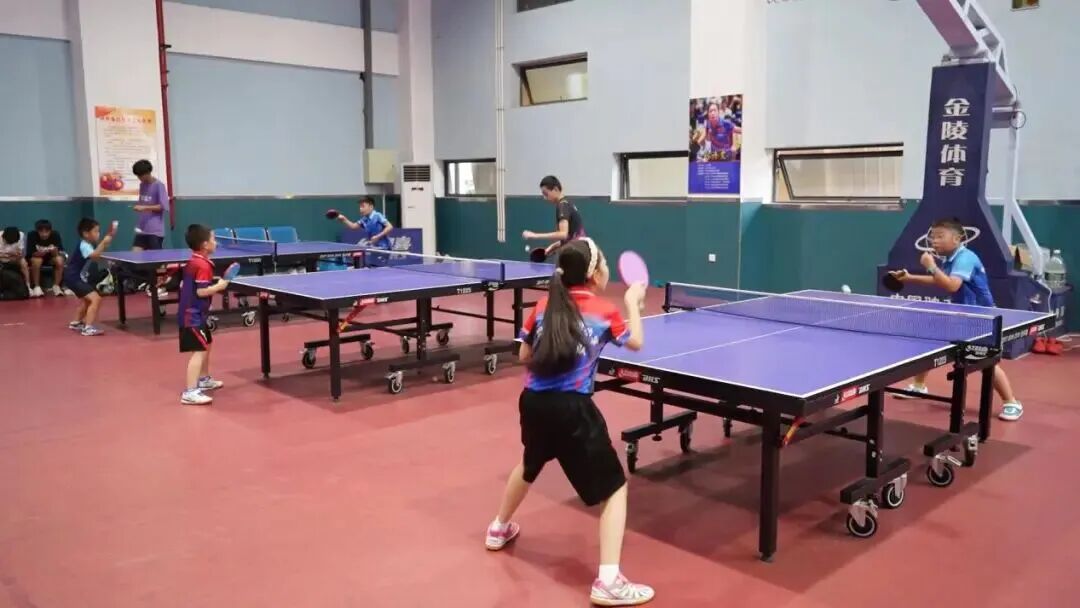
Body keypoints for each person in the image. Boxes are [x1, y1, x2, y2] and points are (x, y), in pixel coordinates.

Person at [484, 238, 654, 606]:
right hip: (572, 408)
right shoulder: (604, 311)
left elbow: (524, 353)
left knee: (531, 463)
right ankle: (609, 581)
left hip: (533, 402)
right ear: (594, 274)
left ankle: (498, 528)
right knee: (614, 488)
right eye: (603, 262)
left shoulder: (544, 305)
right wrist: (632, 304)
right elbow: (636, 342)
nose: (606, 268)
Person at [889, 217, 1025, 422]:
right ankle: (918, 386)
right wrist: (910, 278)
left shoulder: (965, 258)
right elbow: (940, 280)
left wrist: (931, 266)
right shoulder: (951, 258)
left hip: (981, 318)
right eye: (933, 237)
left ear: (957, 238)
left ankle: (1012, 402)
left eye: (940, 236)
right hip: (961, 315)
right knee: (929, 345)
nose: (934, 241)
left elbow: (951, 285)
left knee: (986, 362)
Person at [177, 224, 232, 406]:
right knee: (199, 351)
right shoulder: (202, 265)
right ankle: (190, 392)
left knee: (206, 344)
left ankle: (204, 379)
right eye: (213, 239)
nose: (216, 242)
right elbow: (201, 292)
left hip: (196, 313)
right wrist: (219, 286)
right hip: (191, 315)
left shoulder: (195, 261)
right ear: (205, 245)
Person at [64, 218, 116, 336]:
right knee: (96, 299)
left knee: (87, 300)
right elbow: (94, 256)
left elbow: (96, 257)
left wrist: (104, 246)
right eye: (96, 231)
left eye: (98, 231)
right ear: (86, 234)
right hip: (74, 277)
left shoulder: (86, 245)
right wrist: (103, 243)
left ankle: (76, 323)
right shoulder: (84, 245)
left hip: (72, 277)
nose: (98, 233)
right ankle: (88, 328)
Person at [131, 159, 172, 297]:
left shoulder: (159, 186)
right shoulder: (142, 185)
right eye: (138, 176)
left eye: (140, 175)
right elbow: (142, 203)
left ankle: (161, 286)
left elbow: (163, 206)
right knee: (134, 256)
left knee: (158, 261)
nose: (139, 178)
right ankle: (150, 282)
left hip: (155, 230)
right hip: (142, 229)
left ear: (148, 173)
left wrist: (144, 208)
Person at [522, 175, 585, 259]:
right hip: (581, 250)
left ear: (555, 189)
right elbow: (571, 236)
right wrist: (553, 247)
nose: (545, 198)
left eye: (546, 194)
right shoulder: (568, 203)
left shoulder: (562, 206)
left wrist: (534, 235)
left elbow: (563, 234)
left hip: (575, 254)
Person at [335, 196, 394, 265]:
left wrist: (378, 236)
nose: (360, 209)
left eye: (363, 206)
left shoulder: (377, 215)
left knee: (380, 269)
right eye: (360, 207)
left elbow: (390, 226)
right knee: (373, 268)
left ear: (371, 207)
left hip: (383, 248)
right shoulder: (364, 219)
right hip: (374, 248)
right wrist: (344, 219)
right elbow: (353, 226)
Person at [26, 219, 72, 297]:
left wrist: (54, 251)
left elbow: (59, 253)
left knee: (59, 260)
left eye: (47, 231)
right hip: (36, 258)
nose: (44, 234)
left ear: (50, 231)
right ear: (37, 231)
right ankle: (37, 287)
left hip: (50, 258)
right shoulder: (31, 235)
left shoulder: (55, 235)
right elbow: (31, 253)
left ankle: (56, 286)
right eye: (41, 231)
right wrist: (44, 251)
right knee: (37, 261)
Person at [0, 227, 31, 297]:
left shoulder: (21, 236)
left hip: (14, 259)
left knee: (23, 263)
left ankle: (28, 286)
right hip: (1, 260)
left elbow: (22, 254)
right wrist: (6, 255)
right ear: (3, 237)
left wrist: (14, 256)